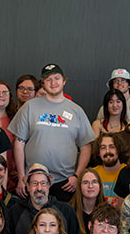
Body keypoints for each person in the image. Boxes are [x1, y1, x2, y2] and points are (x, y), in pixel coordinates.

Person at [10, 64, 97, 203]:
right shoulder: (29, 107)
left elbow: (86, 147)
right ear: (43, 84)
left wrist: (77, 176)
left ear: (64, 81)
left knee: (62, 222)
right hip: (34, 180)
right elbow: (19, 143)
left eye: (56, 78)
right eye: (48, 79)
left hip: (65, 183)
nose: (53, 82)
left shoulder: (77, 110)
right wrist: (22, 177)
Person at [5, 164, 82, 234]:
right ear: (28, 186)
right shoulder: (14, 212)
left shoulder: (66, 211)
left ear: (49, 185)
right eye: (34, 183)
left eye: (43, 183)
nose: (39, 188)